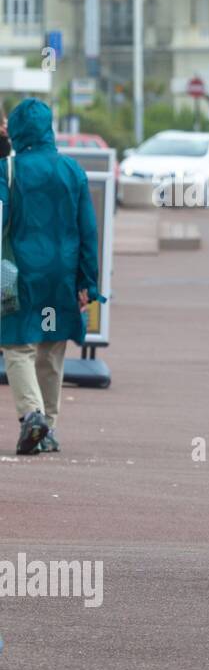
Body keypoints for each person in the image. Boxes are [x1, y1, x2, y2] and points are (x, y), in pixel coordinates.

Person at [0, 98, 104, 454]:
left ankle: (32, 415)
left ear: (15, 130)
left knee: (17, 345)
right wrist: (88, 283)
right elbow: (88, 230)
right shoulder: (72, 170)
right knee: (50, 346)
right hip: (60, 275)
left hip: (19, 274)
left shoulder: (8, 170)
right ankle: (50, 427)